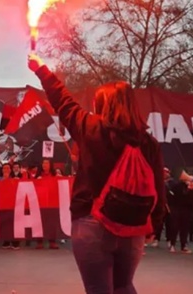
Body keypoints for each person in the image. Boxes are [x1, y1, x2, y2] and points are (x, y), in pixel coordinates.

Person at [29, 53, 166, 293]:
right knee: (124, 286)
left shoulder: (90, 128)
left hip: (92, 223)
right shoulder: (149, 143)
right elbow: (158, 188)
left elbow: (62, 101)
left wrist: (41, 69)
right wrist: (154, 224)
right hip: (133, 226)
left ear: (103, 105)